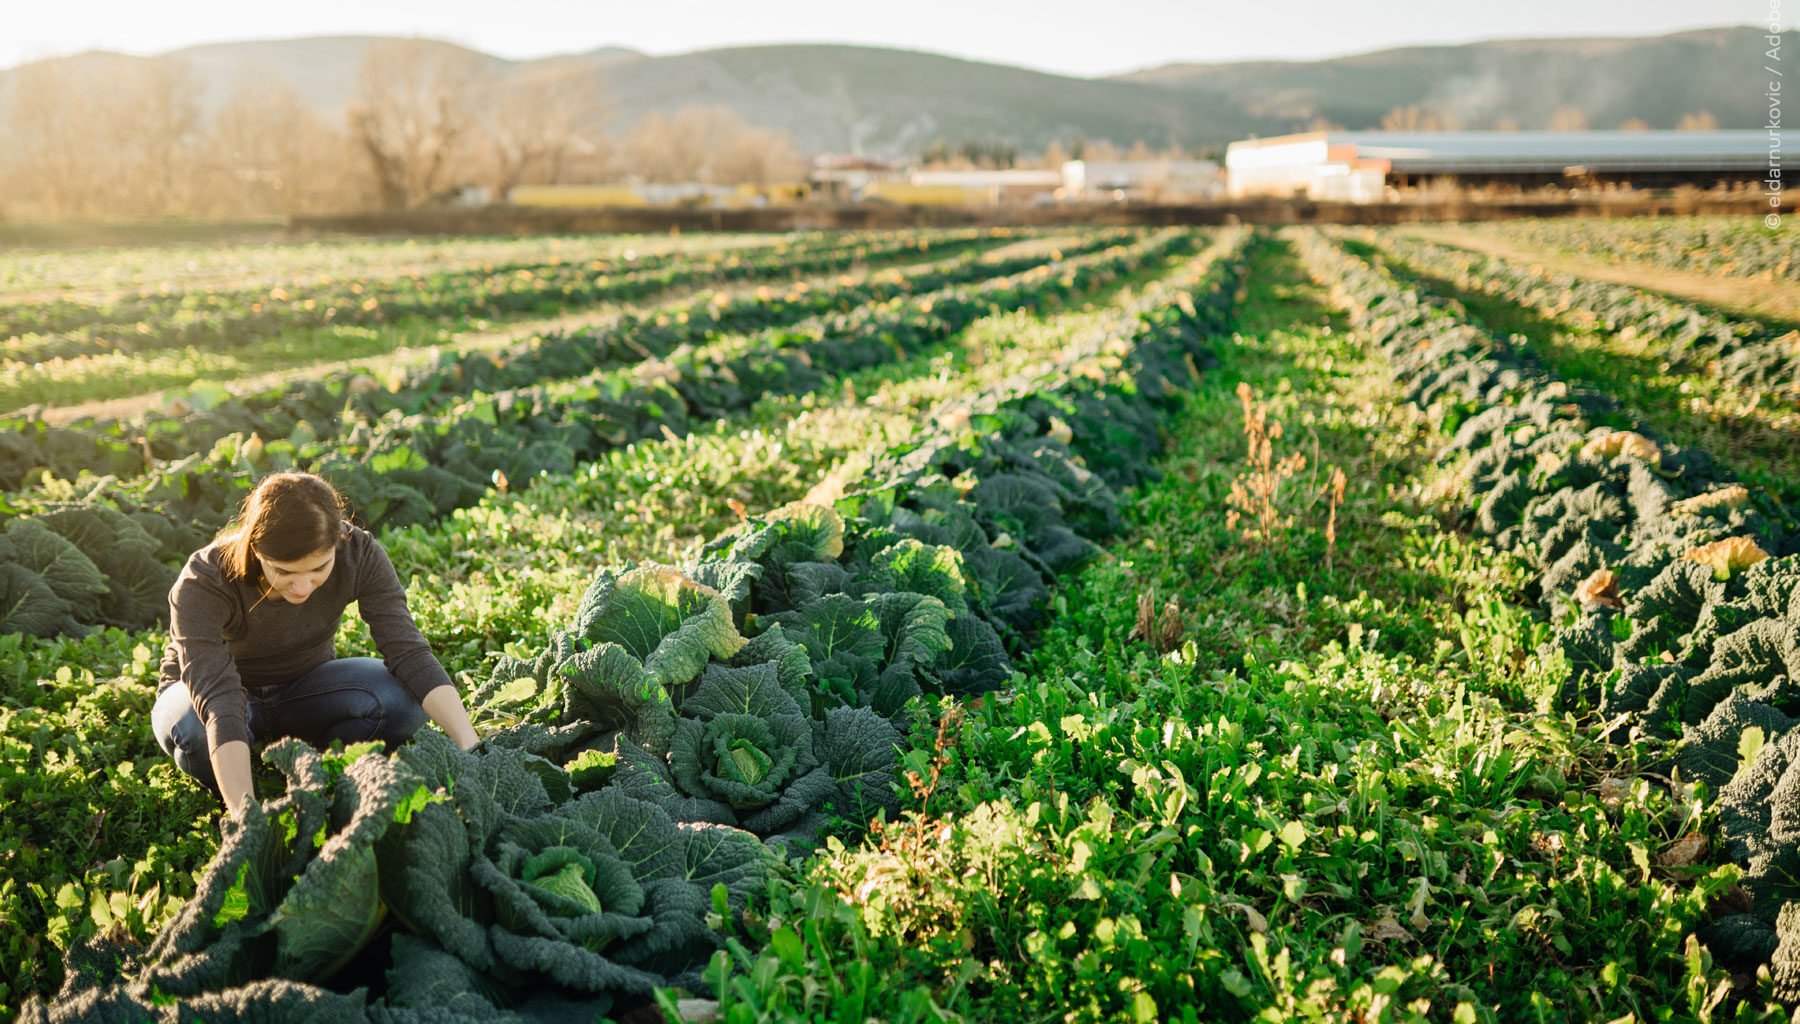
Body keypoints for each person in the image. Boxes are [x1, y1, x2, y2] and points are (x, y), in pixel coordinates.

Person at [152, 471, 478, 819]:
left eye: (319, 568)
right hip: (205, 694)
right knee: (195, 732)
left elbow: (408, 651)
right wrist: (245, 816)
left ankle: (318, 762)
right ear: (255, 548)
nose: (303, 588)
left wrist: (472, 749)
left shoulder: (359, 553)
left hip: (304, 686)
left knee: (402, 702)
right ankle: (242, 777)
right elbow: (217, 697)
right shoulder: (204, 579)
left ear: (338, 539)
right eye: (284, 572)